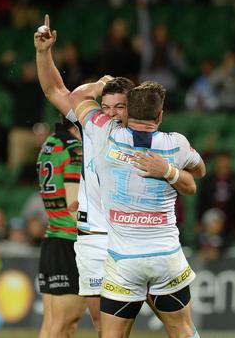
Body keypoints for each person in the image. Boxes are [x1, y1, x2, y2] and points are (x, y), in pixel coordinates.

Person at [34, 15, 197, 335]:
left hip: (141, 242)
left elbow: (191, 179)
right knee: (103, 327)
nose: (108, 113)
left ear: (133, 107)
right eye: (104, 105)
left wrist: (171, 172)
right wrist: (44, 53)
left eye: (117, 107)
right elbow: (55, 89)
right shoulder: (93, 125)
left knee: (175, 324)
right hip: (97, 241)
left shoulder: (155, 142)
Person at [69, 80, 206, 338]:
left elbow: (77, 96)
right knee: (184, 331)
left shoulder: (105, 133)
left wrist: (102, 83)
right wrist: (168, 170)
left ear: (128, 112)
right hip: (166, 258)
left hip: (124, 262)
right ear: (160, 115)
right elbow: (199, 171)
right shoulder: (176, 143)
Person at [36, 117, 85, 338]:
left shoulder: (51, 143)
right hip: (70, 243)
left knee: (52, 326)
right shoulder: (74, 149)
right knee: (64, 325)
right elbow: (75, 210)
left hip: (53, 240)